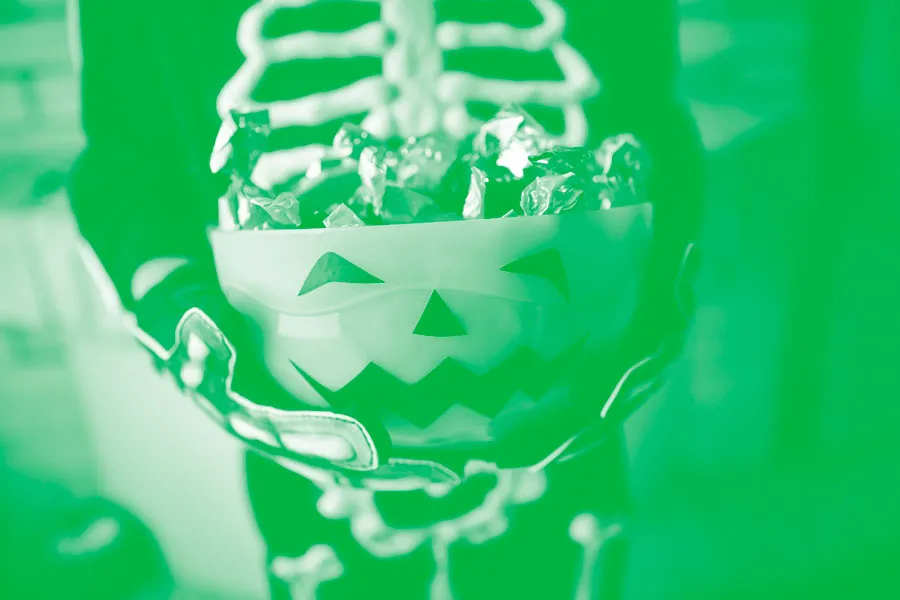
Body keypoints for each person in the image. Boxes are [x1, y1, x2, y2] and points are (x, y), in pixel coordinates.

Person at [68, 1, 704, 598]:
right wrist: (193, 332)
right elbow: (123, 168)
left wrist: (656, 309)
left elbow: (655, 122)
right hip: (308, 446)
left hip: (565, 408)